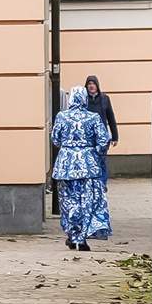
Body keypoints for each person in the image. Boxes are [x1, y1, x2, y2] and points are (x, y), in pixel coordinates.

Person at [50, 86, 114, 251]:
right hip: (88, 167)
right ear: (85, 98)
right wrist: (95, 154)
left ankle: (73, 236)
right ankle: (83, 238)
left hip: (65, 167)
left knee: (68, 202)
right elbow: (103, 139)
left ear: (71, 98)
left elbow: (55, 138)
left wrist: (68, 147)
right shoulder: (92, 118)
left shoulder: (62, 117)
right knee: (86, 201)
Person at [83, 75, 121, 179]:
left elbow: (111, 118)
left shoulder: (105, 99)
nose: (91, 86)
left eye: (93, 84)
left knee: (102, 161)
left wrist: (115, 137)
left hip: (102, 137)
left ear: (97, 85)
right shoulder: (84, 100)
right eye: (89, 84)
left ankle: (102, 183)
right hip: (88, 137)